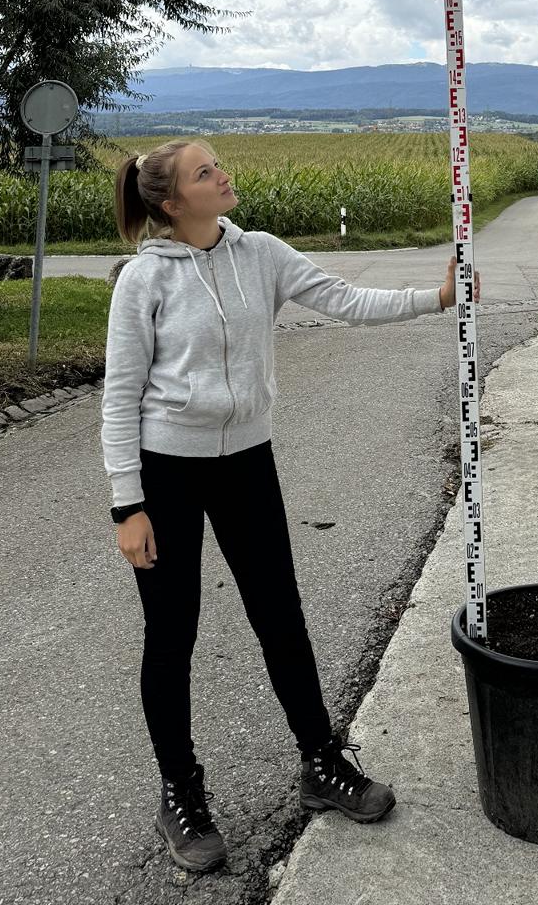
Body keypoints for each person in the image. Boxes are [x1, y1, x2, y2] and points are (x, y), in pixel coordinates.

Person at [101, 138, 478, 874]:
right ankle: (180, 793)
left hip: (246, 460)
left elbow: (344, 299)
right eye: (206, 173)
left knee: (280, 614)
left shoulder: (261, 254)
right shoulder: (142, 281)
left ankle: (321, 762)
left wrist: (435, 299)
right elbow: (119, 399)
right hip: (166, 471)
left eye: (218, 165)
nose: (223, 175)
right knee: (171, 633)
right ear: (172, 203)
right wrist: (128, 507)